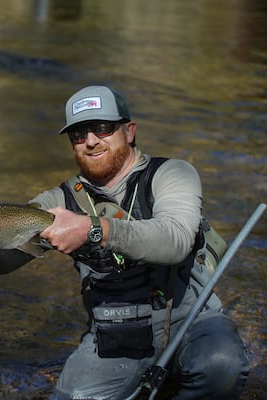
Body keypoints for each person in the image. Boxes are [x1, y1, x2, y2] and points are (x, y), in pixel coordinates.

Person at [31, 85, 249, 400]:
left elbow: (175, 240)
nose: (91, 141)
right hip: (114, 333)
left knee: (221, 366)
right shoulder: (59, 201)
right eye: (78, 134)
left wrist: (94, 228)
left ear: (129, 131)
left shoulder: (173, 173)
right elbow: (6, 249)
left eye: (103, 128)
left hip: (192, 320)